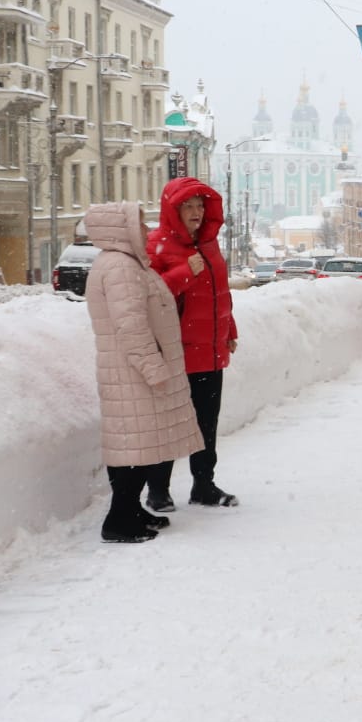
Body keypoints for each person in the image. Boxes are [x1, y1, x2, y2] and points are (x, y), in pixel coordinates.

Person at [83, 201, 205, 542]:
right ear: (118, 228)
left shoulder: (131, 265)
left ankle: (130, 509)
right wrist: (154, 368)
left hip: (133, 372)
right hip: (133, 373)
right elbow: (132, 327)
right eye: (137, 223)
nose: (146, 229)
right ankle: (119, 520)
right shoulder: (121, 268)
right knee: (133, 447)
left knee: (140, 444)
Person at [146, 177, 241, 510]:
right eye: (189, 206)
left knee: (206, 426)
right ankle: (158, 489)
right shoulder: (156, 244)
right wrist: (185, 270)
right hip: (177, 354)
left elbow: (219, 293)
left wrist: (229, 328)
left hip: (211, 352)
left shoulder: (210, 244)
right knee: (171, 425)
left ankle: (204, 484)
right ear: (174, 210)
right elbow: (151, 298)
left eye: (201, 206)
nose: (197, 212)